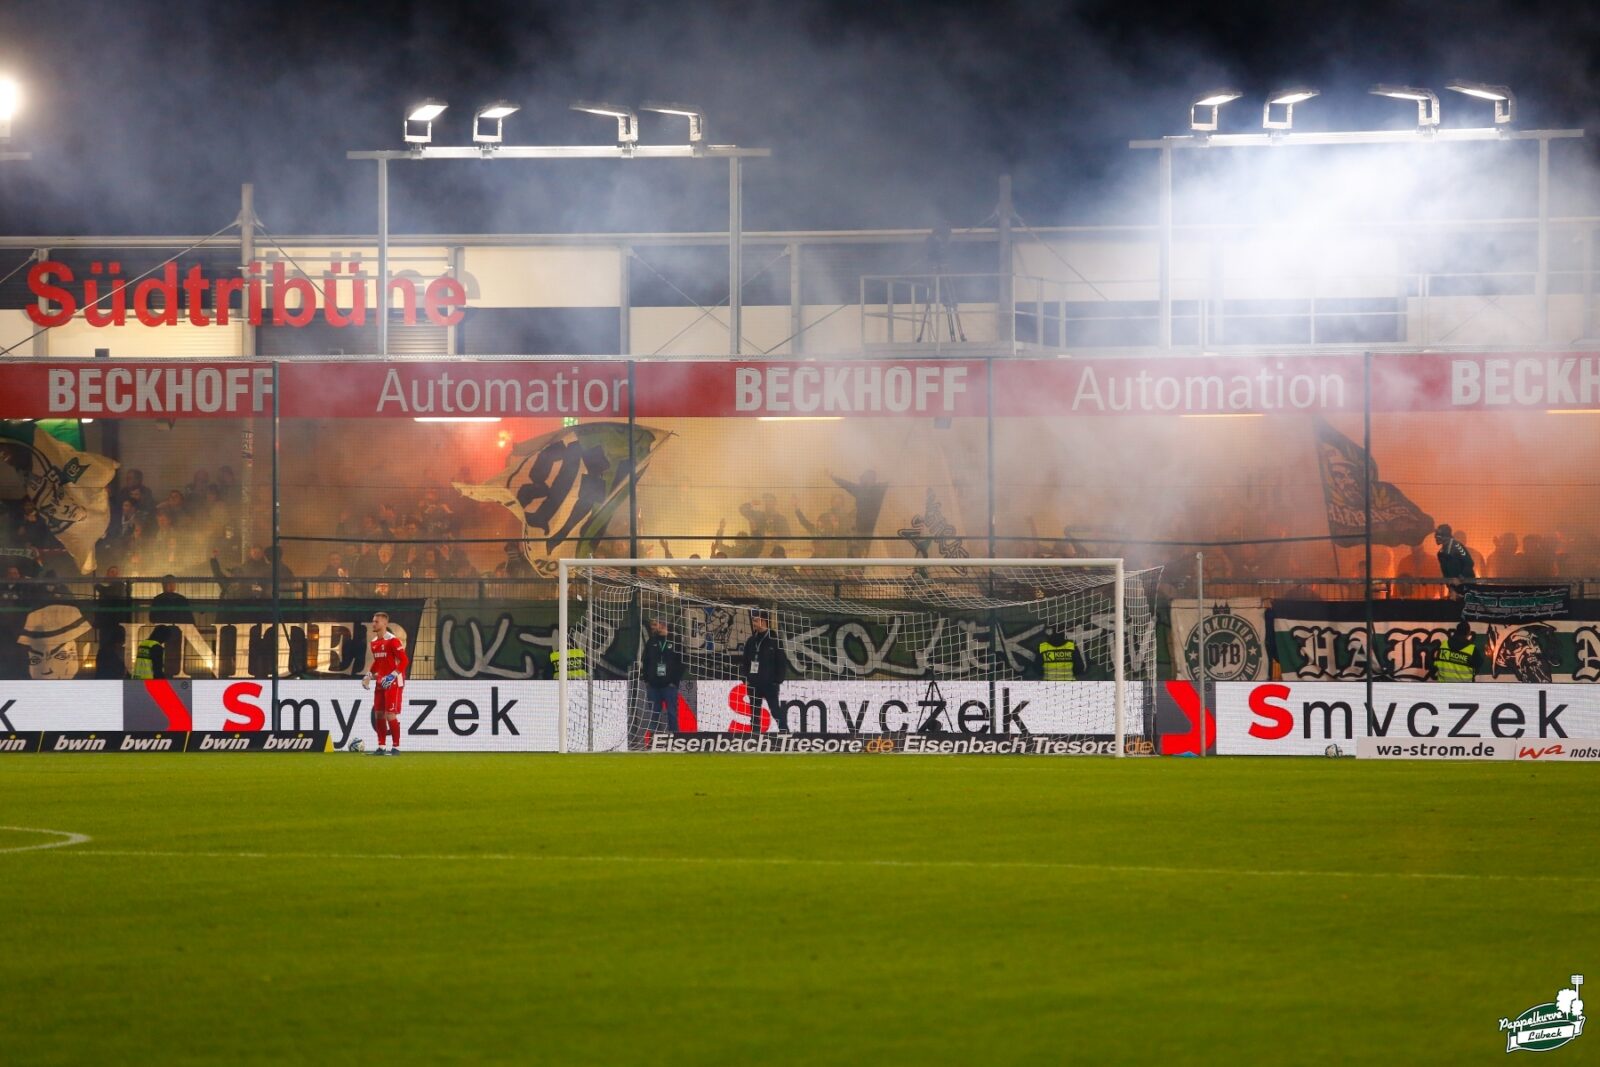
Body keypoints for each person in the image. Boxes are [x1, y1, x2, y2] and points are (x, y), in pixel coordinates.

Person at [362, 611, 409, 755]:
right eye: (373, 621)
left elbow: (404, 661)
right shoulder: (374, 642)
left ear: (384, 623)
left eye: (376, 621)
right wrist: (369, 675)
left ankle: (396, 747)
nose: (373, 623)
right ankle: (381, 747)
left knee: (390, 714)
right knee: (379, 714)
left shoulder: (393, 641)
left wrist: (392, 676)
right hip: (381, 681)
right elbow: (377, 662)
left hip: (394, 682)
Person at [739, 610, 787, 733]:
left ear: (763, 621)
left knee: (775, 710)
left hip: (769, 684)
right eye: (753, 620)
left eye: (756, 620)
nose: (753, 623)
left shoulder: (774, 640)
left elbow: (781, 662)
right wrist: (746, 679)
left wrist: (777, 680)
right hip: (754, 684)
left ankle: (785, 733)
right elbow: (745, 661)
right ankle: (754, 738)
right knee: (755, 714)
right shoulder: (751, 641)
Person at [640, 617, 685, 745]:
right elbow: (646, 661)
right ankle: (652, 742)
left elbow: (682, 663)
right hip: (653, 685)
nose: (652, 627)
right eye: (652, 625)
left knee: (672, 712)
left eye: (655, 624)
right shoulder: (651, 641)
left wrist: (674, 681)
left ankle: (676, 740)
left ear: (663, 625)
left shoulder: (675, 641)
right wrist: (647, 680)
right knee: (654, 713)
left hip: (669, 686)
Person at [1433, 524, 1475, 590]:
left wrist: (1461, 577)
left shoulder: (1458, 546)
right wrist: (1450, 588)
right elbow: (1445, 573)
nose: (1435, 537)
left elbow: (1469, 562)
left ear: (1445, 536)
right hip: (1454, 588)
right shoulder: (1440, 553)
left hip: (1468, 586)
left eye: (1438, 535)